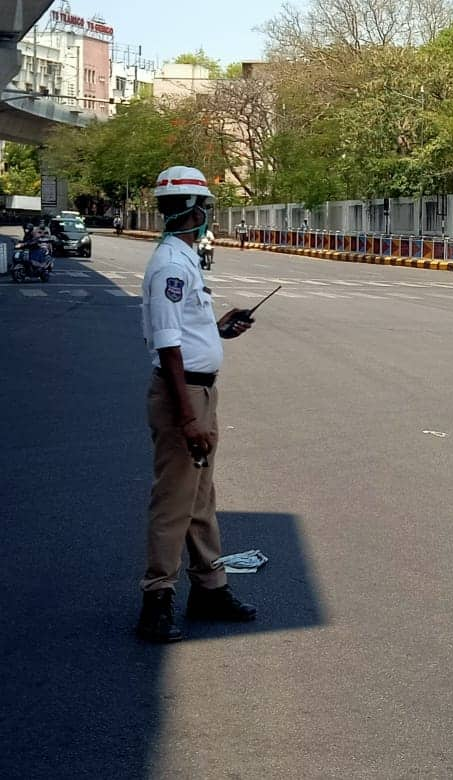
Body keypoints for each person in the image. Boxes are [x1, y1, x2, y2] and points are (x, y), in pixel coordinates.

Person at [136, 165, 258, 644]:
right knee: (174, 502)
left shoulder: (185, 259)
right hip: (181, 393)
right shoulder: (170, 264)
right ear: (191, 210)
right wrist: (188, 418)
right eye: (204, 206)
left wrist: (220, 328)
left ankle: (210, 588)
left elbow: (185, 331)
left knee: (201, 499)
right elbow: (168, 345)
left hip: (198, 388)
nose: (207, 214)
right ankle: (156, 601)